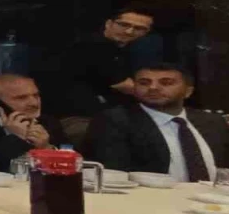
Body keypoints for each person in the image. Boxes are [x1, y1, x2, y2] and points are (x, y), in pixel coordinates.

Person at [87, 63, 229, 181]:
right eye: (144, 83)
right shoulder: (115, 120)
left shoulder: (213, 122)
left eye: (166, 83)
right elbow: (114, 174)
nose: (153, 87)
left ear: (188, 91)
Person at [53, 8, 155, 143]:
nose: (129, 31)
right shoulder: (92, 45)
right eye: (123, 24)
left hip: (108, 117)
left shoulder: (125, 51)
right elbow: (126, 86)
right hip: (77, 119)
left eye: (139, 28)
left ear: (146, 33)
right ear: (109, 24)